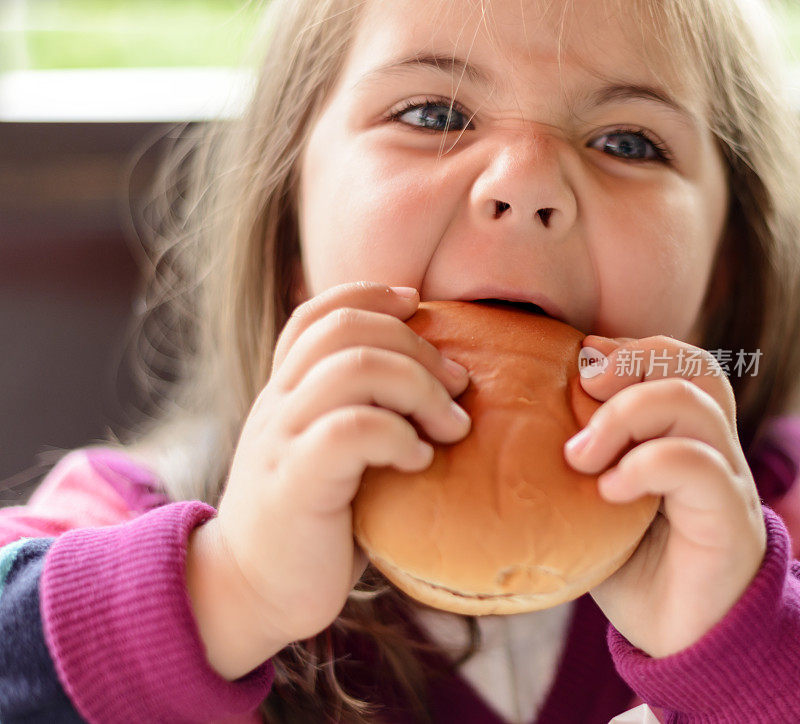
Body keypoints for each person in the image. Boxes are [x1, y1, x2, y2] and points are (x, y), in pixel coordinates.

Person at [2, 0, 800, 721]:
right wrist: (226, 590)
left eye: (628, 142)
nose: (523, 183)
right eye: (431, 113)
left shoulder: (777, 522)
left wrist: (749, 650)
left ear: (722, 265)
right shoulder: (128, 517)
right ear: (290, 227)